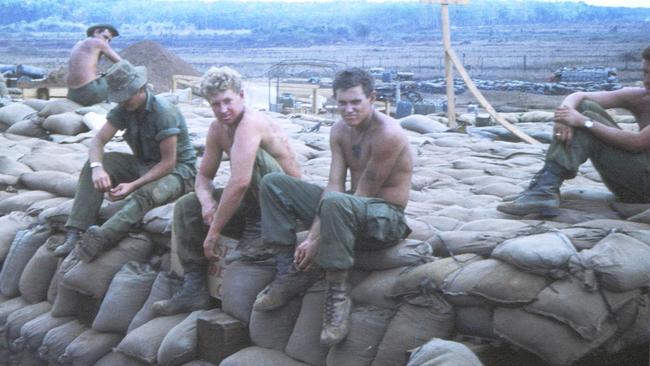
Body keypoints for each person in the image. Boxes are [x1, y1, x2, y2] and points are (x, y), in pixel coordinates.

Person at [253, 67, 413, 346]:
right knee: (273, 182)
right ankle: (286, 271)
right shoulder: (340, 131)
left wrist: (316, 241)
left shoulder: (388, 134)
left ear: (372, 98)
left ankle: (337, 293)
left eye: (355, 102)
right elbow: (334, 184)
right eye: (342, 103)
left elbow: (362, 194)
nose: (348, 109)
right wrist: (314, 233)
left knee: (338, 204)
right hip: (347, 206)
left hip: (384, 217)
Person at [152, 66, 302, 315]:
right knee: (187, 206)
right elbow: (203, 176)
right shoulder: (217, 129)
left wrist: (213, 233)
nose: (223, 110)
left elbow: (240, 181)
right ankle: (194, 287)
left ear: (242, 95)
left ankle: (261, 228)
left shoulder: (251, 123)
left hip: (282, 205)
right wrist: (207, 201)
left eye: (227, 101)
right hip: (252, 201)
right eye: (215, 104)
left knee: (251, 162)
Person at [52, 60, 196, 261]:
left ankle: (102, 237)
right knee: (103, 162)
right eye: (120, 99)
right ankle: (76, 230)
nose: (124, 103)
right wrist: (97, 168)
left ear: (141, 89)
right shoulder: (124, 109)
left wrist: (133, 185)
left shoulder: (163, 112)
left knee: (147, 194)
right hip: (144, 163)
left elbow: (168, 163)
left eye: (127, 98)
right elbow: (98, 142)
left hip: (177, 172)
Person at [498, 46, 650, 216]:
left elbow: (637, 143)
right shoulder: (641, 96)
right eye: (645, 73)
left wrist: (584, 122)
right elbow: (579, 96)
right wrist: (564, 116)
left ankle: (543, 190)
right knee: (584, 108)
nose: (647, 80)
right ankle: (544, 188)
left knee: (585, 120)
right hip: (639, 174)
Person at [66, 24, 122, 106]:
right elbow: (122, 63)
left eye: (109, 41)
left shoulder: (78, 44)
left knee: (101, 75)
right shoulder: (97, 42)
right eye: (105, 37)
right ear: (96, 32)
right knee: (120, 74)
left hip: (72, 93)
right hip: (89, 91)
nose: (106, 42)